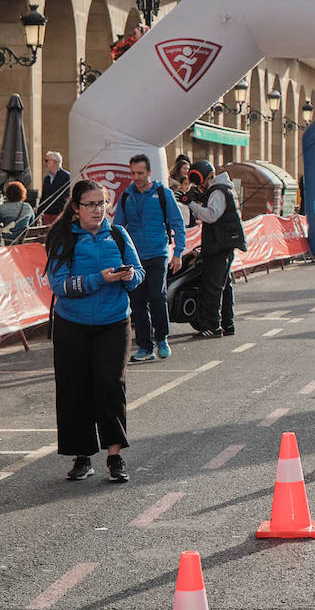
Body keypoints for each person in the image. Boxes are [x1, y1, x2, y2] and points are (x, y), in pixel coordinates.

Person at [45, 180, 144, 484]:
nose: (98, 210)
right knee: (75, 389)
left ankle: (114, 456)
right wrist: (99, 279)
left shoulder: (117, 233)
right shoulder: (63, 239)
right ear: (76, 208)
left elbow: (139, 273)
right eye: (91, 204)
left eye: (102, 203)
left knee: (110, 385)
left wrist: (128, 276)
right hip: (71, 324)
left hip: (113, 322)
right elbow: (59, 285)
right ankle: (81, 456)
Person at [113, 154, 185, 362]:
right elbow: (118, 228)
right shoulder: (126, 196)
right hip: (135, 257)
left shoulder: (163, 193)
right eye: (133, 173)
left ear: (149, 173)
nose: (136, 177)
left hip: (158, 252)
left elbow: (178, 224)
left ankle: (162, 338)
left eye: (140, 173)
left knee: (156, 295)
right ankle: (145, 347)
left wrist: (178, 253)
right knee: (137, 302)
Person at [182, 160, 245, 338]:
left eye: (200, 182)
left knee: (213, 286)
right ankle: (228, 324)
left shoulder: (218, 191)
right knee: (224, 285)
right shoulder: (222, 189)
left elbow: (211, 215)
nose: (199, 186)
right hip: (224, 244)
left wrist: (191, 204)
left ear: (206, 177)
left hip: (219, 245)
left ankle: (213, 326)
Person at [40, 151, 70, 222]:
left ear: (55, 162)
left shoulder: (66, 176)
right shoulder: (47, 178)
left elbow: (67, 195)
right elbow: (43, 197)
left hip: (60, 213)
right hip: (47, 214)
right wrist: (39, 214)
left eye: (47, 161)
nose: (45, 163)